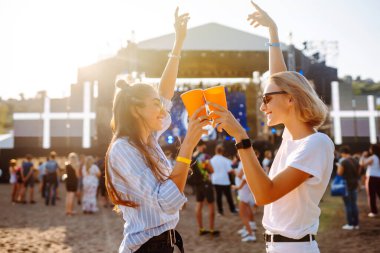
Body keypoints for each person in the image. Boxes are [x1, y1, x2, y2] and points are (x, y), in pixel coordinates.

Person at [209, 2, 334, 252]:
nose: (263, 106)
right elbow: (279, 81)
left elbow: (265, 195)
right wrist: (273, 33)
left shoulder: (317, 143)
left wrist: (241, 138)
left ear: (291, 99)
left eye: (266, 100)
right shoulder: (294, 136)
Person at [105, 8, 208, 253]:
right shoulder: (124, 149)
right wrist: (188, 144)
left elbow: (165, 92)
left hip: (164, 243)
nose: (162, 109)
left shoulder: (147, 139)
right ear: (135, 110)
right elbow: (168, 201)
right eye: (154, 104)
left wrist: (178, 43)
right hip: (147, 247)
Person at [191, 140, 219, 236]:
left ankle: (201, 229)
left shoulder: (192, 156)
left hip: (198, 184)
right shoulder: (204, 156)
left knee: (199, 205)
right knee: (211, 205)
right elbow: (212, 170)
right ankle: (211, 229)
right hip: (206, 182)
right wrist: (206, 168)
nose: (204, 148)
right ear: (200, 146)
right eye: (203, 146)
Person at [232, 156, 257, 242]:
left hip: (243, 190)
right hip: (245, 190)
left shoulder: (244, 162)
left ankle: (250, 234)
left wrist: (234, 172)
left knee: (242, 213)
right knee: (246, 209)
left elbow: (241, 176)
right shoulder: (248, 162)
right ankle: (249, 228)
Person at [210, 144, 237, 215]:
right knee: (229, 196)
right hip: (224, 181)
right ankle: (233, 210)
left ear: (216, 151)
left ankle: (220, 211)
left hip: (215, 180)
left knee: (218, 197)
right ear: (222, 151)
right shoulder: (226, 160)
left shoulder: (211, 160)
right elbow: (229, 170)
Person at [337, 146, 360, 230]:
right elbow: (359, 172)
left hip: (346, 185)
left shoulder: (343, 161)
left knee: (348, 205)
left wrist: (338, 166)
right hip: (354, 184)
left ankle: (350, 224)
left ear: (343, 153)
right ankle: (356, 224)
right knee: (354, 204)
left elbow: (339, 173)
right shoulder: (355, 160)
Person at [360, 144, 380, 218]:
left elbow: (362, 164)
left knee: (371, 195)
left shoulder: (373, 157)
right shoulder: (378, 157)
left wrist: (363, 156)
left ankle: (374, 211)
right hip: (378, 177)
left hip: (372, 178)